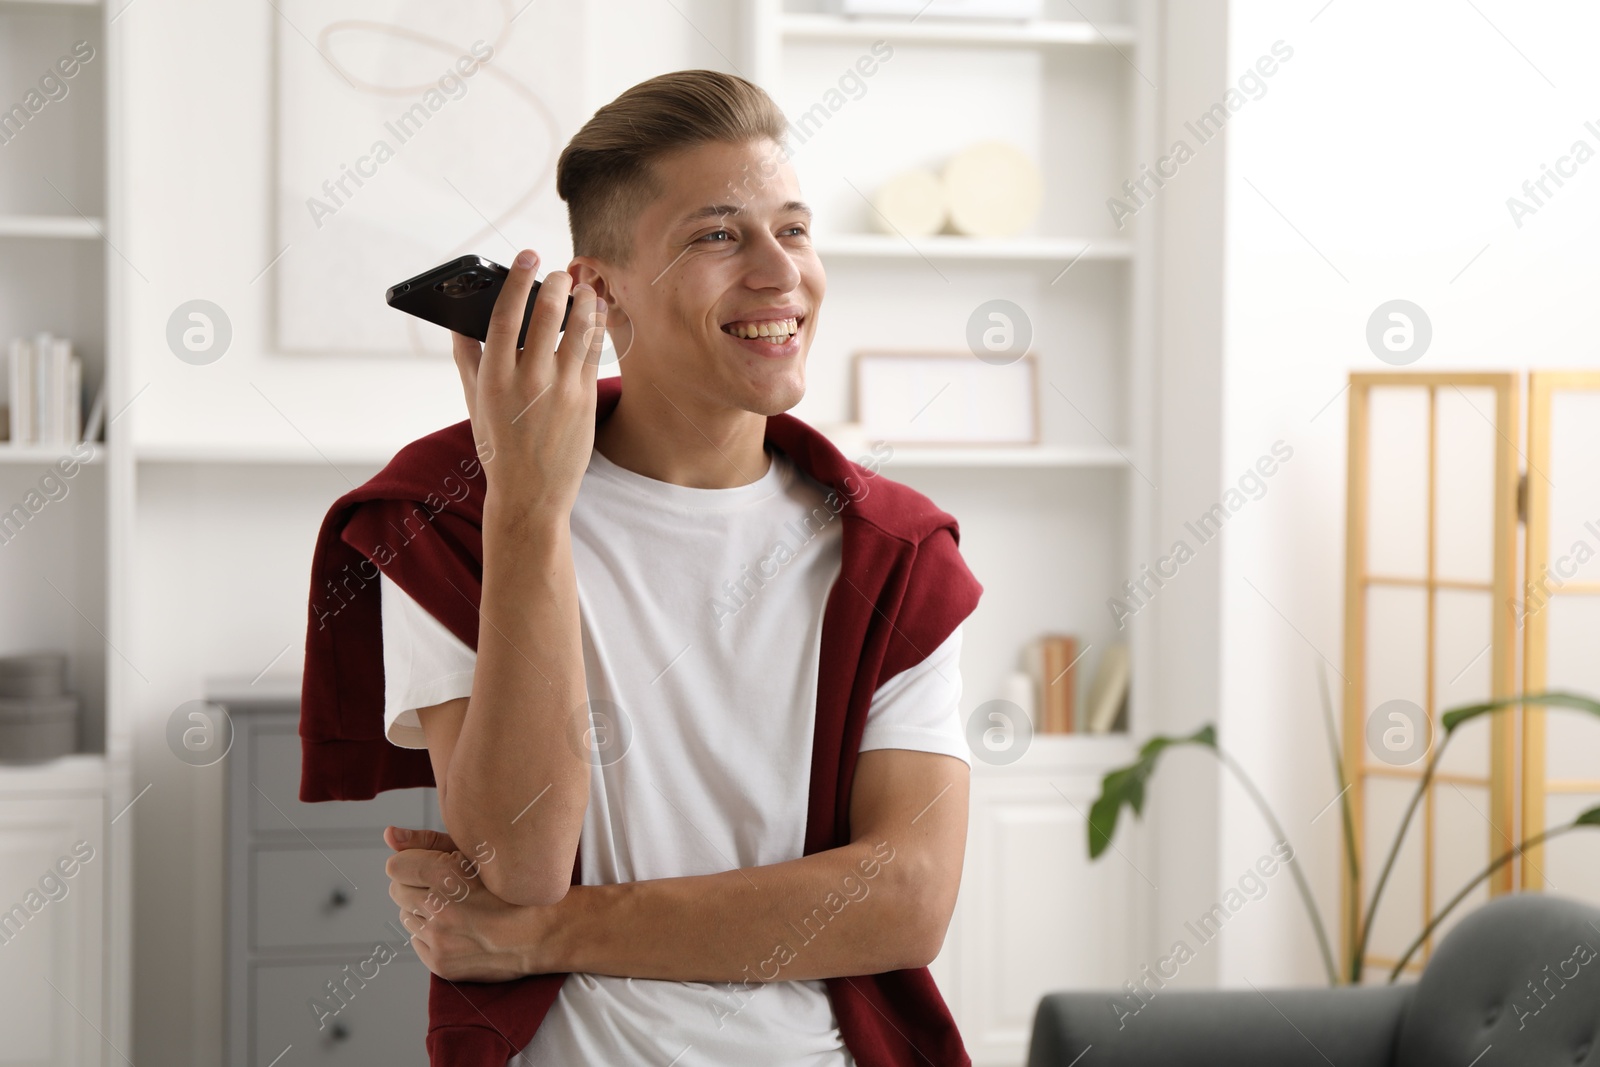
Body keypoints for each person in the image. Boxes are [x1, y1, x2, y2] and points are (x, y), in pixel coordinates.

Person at [366, 69, 980, 1064]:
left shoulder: (891, 551)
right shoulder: (453, 513)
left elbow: (905, 899)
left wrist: (545, 933)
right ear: (599, 291)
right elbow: (516, 857)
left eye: (794, 228)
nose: (781, 274)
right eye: (718, 235)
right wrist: (528, 504)